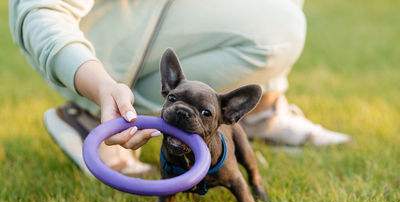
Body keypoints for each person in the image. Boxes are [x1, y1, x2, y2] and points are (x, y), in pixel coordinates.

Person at [9, 0, 350, 176]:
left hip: (160, 17)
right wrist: (100, 85)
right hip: (94, 47)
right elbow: (41, 13)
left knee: (280, 18)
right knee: (283, 28)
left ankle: (263, 111)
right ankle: (100, 112)